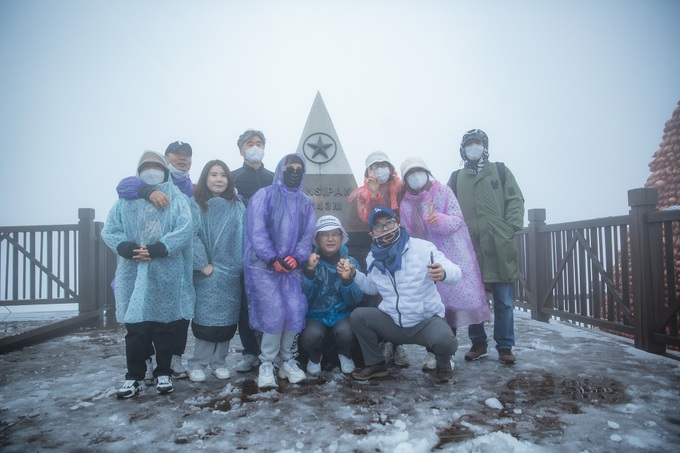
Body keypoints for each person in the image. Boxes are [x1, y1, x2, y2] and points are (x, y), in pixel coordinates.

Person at [102, 150, 194, 398]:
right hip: (133, 271)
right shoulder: (126, 201)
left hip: (165, 270)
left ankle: (163, 371)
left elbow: (186, 228)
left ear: (165, 171)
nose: (151, 171)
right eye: (146, 167)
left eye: (157, 166)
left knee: (164, 327)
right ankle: (134, 376)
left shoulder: (177, 199)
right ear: (139, 171)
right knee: (136, 329)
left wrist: (159, 248)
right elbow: (110, 229)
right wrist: (127, 248)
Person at [346, 207, 460, 383]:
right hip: (392, 322)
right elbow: (373, 288)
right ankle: (376, 364)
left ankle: (443, 365)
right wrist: (355, 275)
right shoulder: (372, 257)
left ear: (398, 224)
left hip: (424, 322)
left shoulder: (422, 248)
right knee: (359, 317)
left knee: (445, 339)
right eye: (378, 226)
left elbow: (455, 271)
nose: (385, 229)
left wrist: (444, 272)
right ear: (372, 233)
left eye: (389, 223)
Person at [399, 156, 490, 371]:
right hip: (426, 258)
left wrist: (437, 219)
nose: (415, 176)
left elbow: (457, 220)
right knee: (436, 307)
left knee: (462, 302)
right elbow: (407, 232)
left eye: (418, 171)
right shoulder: (405, 202)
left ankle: (477, 344)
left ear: (427, 172)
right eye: (410, 174)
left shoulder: (443, 191)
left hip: (453, 254)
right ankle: (437, 353)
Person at [447, 129, 525, 365]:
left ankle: (505, 345)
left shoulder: (500, 171)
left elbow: (515, 199)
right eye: (469, 143)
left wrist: (508, 227)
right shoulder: (456, 177)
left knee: (504, 299)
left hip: (499, 242)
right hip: (469, 245)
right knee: (473, 297)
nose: (474, 147)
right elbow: (449, 207)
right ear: (463, 149)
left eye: (478, 143)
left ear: (485, 146)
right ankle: (478, 343)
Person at [243, 153, 316, 389]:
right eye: (289, 167)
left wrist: (298, 258)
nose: (294, 171)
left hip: (291, 269)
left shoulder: (305, 201)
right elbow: (257, 230)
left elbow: (308, 233)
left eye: (298, 168)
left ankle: (288, 360)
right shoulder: (264, 195)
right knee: (273, 313)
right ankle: (267, 363)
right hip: (264, 268)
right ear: (280, 170)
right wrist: (271, 257)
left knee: (293, 310)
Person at [348, 151, 409, 368]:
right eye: (375, 166)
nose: (380, 169)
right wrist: (374, 194)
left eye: (384, 164)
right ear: (368, 171)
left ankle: (399, 344)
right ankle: (386, 341)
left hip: (404, 245)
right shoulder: (363, 193)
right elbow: (367, 218)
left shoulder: (401, 187)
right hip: (380, 247)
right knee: (382, 294)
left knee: (402, 292)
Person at [186, 160, 245, 382]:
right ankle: (197, 363)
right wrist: (203, 265)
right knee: (206, 321)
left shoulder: (237, 205)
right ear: (205, 178)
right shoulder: (195, 204)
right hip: (206, 272)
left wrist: (238, 266)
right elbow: (190, 236)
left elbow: (243, 236)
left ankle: (219, 362)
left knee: (227, 322)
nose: (219, 179)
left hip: (231, 272)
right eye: (213, 174)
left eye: (223, 175)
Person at [231, 129, 275, 374]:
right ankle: (250, 351)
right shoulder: (232, 177)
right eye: (250, 143)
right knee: (245, 302)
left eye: (259, 143)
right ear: (241, 149)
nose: (255, 147)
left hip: (270, 249)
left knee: (271, 301)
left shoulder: (274, 178)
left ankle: (272, 351)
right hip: (241, 247)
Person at [299, 215, 363, 375]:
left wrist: (347, 280)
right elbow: (303, 299)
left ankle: (345, 354)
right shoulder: (310, 262)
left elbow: (356, 299)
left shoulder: (351, 262)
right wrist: (309, 272)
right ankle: (314, 357)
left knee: (348, 332)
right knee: (310, 335)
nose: (330, 239)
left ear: (342, 238)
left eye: (335, 234)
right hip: (315, 315)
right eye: (324, 234)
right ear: (317, 239)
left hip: (342, 314)